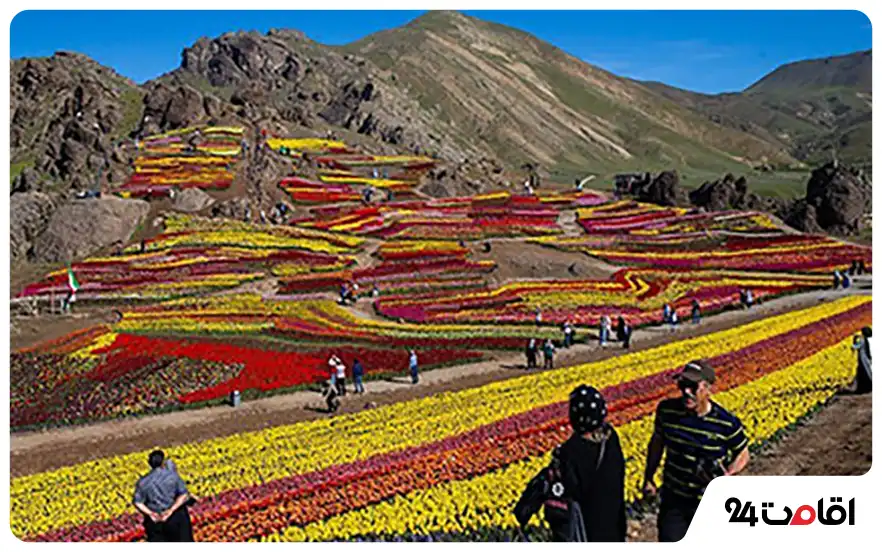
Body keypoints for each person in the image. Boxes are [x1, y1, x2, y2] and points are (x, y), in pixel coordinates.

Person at [642, 360, 750, 542]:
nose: (686, 392)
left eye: (692, 387)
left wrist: (728, 474)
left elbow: (743, 453)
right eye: (682, 385)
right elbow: (657, 444)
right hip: (674, 499)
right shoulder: (667, 412)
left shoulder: (725, 423)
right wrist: (649, 477)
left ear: (708, 389)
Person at [554, 386, 626, 541]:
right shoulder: (612, 438)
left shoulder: (570, 451)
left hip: (587, 529)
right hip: (614, 525)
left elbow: (572, 490)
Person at [133, 450, 194, 542]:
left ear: (149, 464)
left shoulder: (143, 482)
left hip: (155, 520)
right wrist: (171, 510)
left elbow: (138, 502)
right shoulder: (173, 476)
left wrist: (150, 513)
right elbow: (183, 495)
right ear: (162, 462)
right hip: (175, 518)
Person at [851, 327, 872, 394]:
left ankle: (862, 389)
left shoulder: (862, 340)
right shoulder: (865, 339)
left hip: (863, 359)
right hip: (866, 359)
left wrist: (853, 341)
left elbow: (856, 346)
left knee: (862, 374)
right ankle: (866, 389)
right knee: (865, 373)